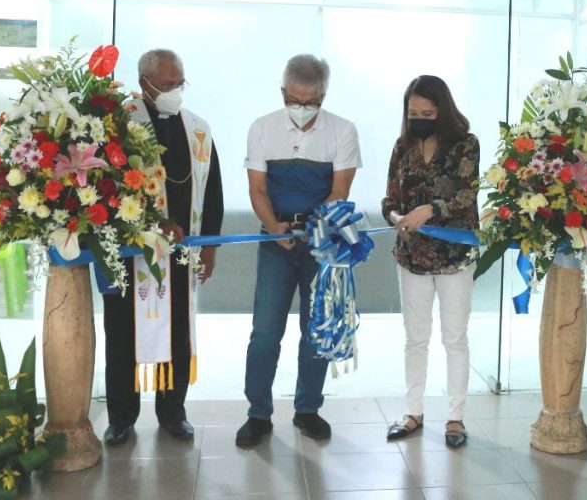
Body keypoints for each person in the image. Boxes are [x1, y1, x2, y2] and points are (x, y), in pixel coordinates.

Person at [237, 54, 361, 446]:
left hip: (321, 242)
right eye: (296, 100)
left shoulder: (343, 130)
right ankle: (258, 414)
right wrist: (274, 227)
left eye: (312, 101)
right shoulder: (262, 128)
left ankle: (308, 409)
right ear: (283, 92)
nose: (303, 109)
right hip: (274, 239)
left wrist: (317, 230)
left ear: (324, 94)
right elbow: (257, 188)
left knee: (316, 329)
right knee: (265, 332)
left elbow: (340, 189)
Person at [103, 48, 224, 445]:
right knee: (123, 333)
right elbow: (106, 192)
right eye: (168, 85)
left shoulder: (198, 129)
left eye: (180, 83)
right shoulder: (118, 125)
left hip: (183, 251)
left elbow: (215, 194)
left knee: (177, 333)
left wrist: (210, 247)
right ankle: (121, 417)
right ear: (145, 84)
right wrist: (150, 225)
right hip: (131, 256)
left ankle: (173, 412)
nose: (175, 91)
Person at [381, 75, 479, 448]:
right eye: (413, 112)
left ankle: (455, 419)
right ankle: (412, 412)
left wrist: (429, 210)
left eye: (427, 112)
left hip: (455, 257)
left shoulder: (465, 145)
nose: (419, 118)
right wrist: (396, 219)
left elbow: (465, 198)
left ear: (443, 110)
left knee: (454, 338)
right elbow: (389, 198)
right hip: (412, 257)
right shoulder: (402, 146)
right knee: (415, 339)